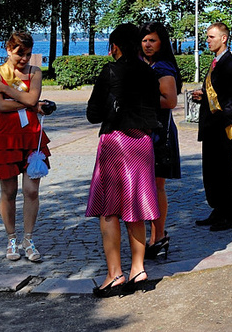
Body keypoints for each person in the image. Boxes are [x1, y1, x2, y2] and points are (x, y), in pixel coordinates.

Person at [85, 23, 162, 297]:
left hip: (115, 141)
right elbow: (156, 110)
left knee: (110, 210)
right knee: (136, 207)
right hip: (142, 143)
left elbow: (93, 114)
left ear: (115, 46)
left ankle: (114, 274)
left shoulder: (110, 71)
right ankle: (138, 269)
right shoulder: (150, 73)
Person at [0, 31, 53, 262]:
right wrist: (25, 101)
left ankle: (28, 239)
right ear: (8, 49)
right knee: (9, 192)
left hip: (32, 136)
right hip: (6, 138)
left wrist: (6, 90)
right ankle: (11, 238)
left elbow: (32, 100)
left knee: (31, 191)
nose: (24, 59)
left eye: (28, 54)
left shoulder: (35, 72)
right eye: (19, 53)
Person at [191, 22, 232, 231]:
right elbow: (216, 94)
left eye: (211, 37)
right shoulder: (215, 63)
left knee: (224, 171)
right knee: (211, 171)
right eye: (207, 37)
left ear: (224, 38)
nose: (207, 40)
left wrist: (222, 121)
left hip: (222, 128)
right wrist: (202, 97)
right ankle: (218, 210)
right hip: (210, 126)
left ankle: (231, 215)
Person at [139, 22, 182, 259]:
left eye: (152, 40)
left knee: (157, 186)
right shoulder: (146, 64)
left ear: (161, 43)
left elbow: (171, 101)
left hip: (160, 132)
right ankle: (155, 235)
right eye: (144, 40)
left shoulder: (163, 67)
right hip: (146, 130)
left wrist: (139, 98)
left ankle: (158, 236)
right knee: (149, 186)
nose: (147, 44)